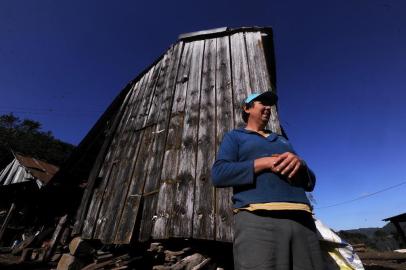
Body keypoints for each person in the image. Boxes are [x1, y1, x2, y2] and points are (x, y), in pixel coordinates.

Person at [211, 91, 324, 270]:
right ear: (246, 108)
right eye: (261, 102)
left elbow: (310, 183)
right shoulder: (235, 137)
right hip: (258, 219)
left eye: (269, 104)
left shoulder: (282, 140)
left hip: (303, 221)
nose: (268, 107)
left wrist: (301, 164)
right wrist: (263, 163)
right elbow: (219, 174)